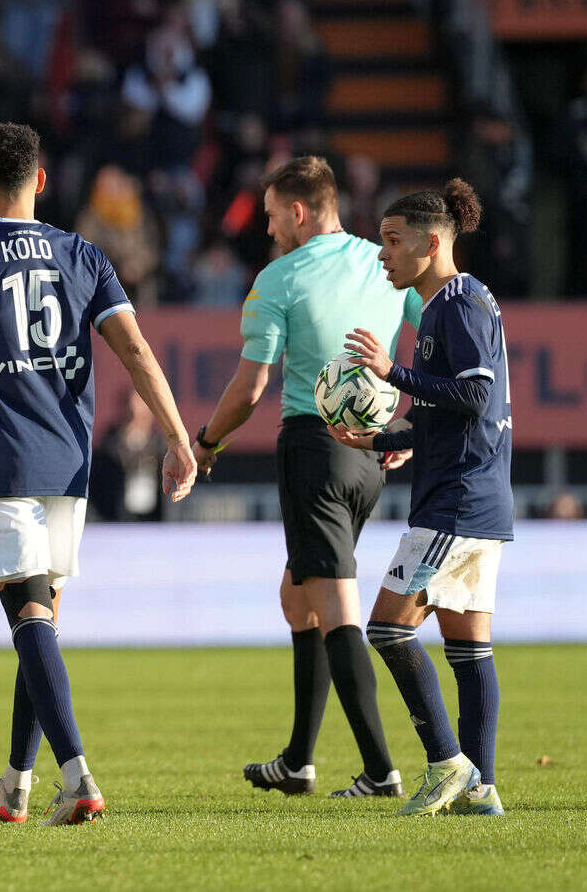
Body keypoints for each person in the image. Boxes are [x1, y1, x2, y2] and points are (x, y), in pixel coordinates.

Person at [0, 122, 196, 826]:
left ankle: (78, 775)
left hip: (2, 458)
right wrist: (178, 436)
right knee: (43, 616)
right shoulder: (84, 254)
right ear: (43, 180)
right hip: (71, 458)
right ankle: (18, 781)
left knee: (28, 613)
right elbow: (138, 350)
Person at [191, 156, 420, 799]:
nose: (267, 229)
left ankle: (380, 769)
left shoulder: (278, 279)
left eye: (270, 216)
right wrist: (400, 428)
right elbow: (433, 352)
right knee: (300, 599)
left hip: (314, 451)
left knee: (334, 603)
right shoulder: (386, 264)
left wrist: (205, 443)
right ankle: (298, 759)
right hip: (369, 456)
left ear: (298, 211)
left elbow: (249, 388)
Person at [333, 179, 511, 817]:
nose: (383, 254)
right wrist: (389, 435)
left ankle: (447, 765)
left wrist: (391, 373)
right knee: (469, 650)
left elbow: (473, 396)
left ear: (432, 243)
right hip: (475, 495)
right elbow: (450, 408)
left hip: (456, 502)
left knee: (385, 628)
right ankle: (482, 786)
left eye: (392, 240)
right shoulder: (455, 304)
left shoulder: (456, 304)